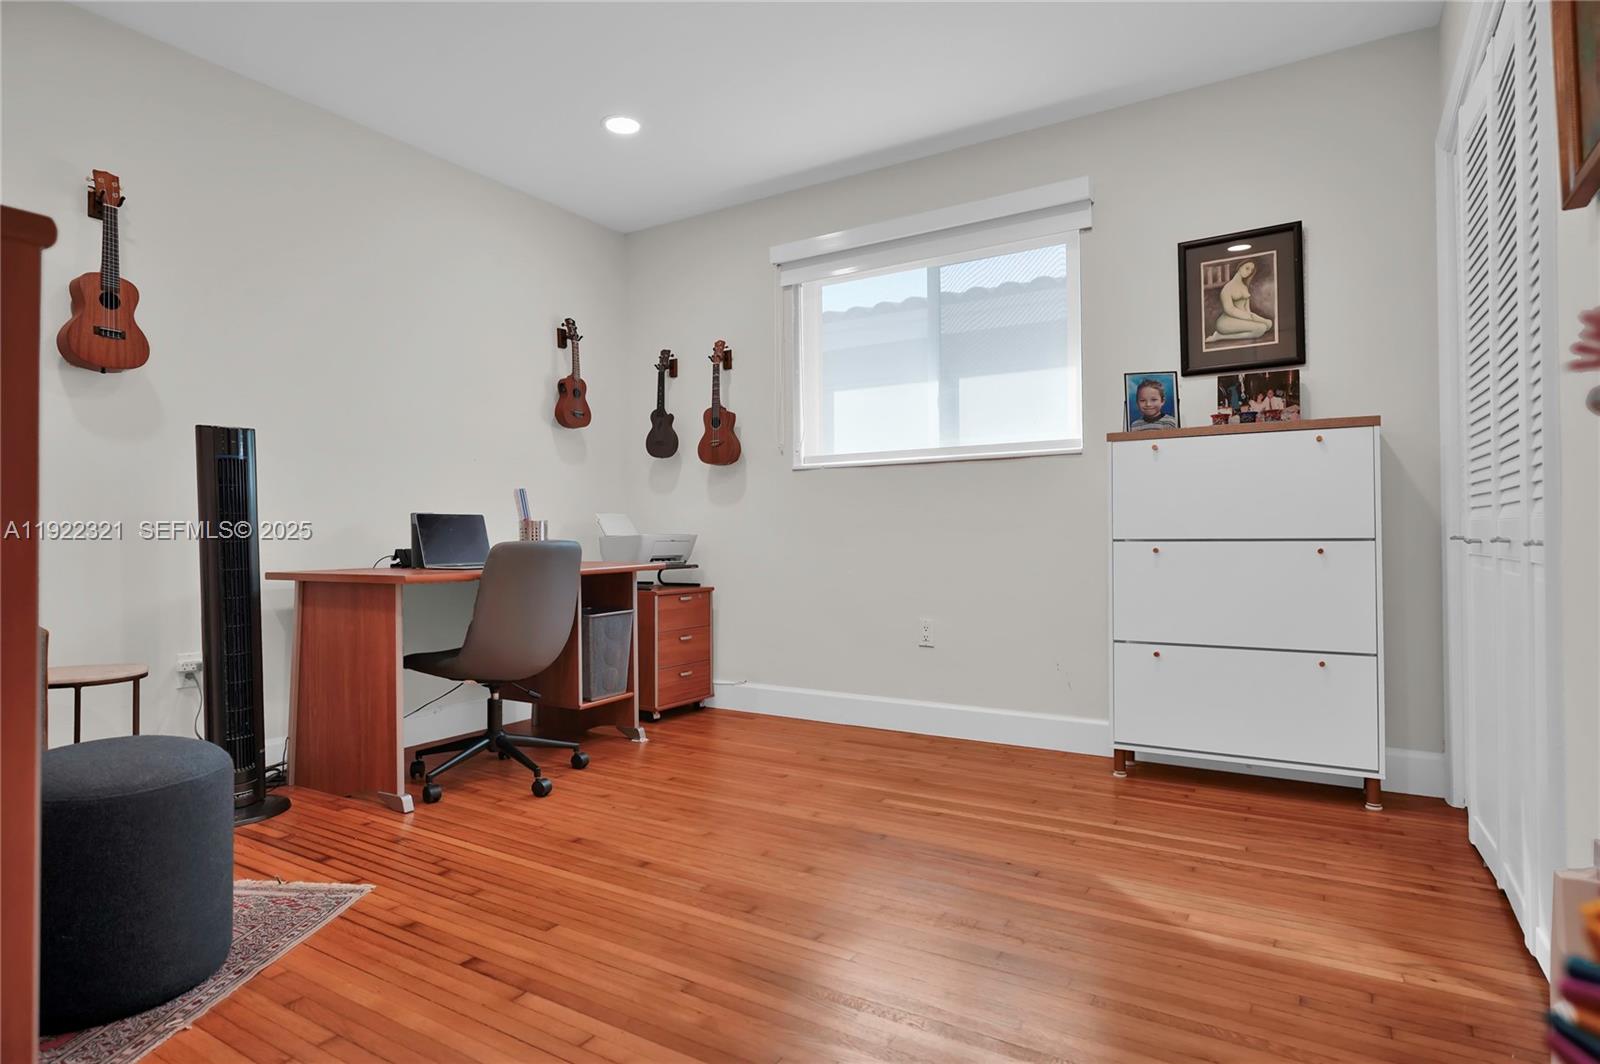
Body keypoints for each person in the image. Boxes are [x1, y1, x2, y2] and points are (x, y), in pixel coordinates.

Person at [1207, 260, 1273, 343]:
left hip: (1242, 318)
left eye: (1251, 270)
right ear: (1240, 267)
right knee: (1261, 328)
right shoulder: (1227, 288)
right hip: (1226, 321)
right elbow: (1230, 310)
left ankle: (1221, 336)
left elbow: (1247, 309)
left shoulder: (1244, 287)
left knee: (1268, 325)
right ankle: (1219, 336)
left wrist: (1254, 318)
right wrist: (1250, 317)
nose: (1249, 272)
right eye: (1247, 268)